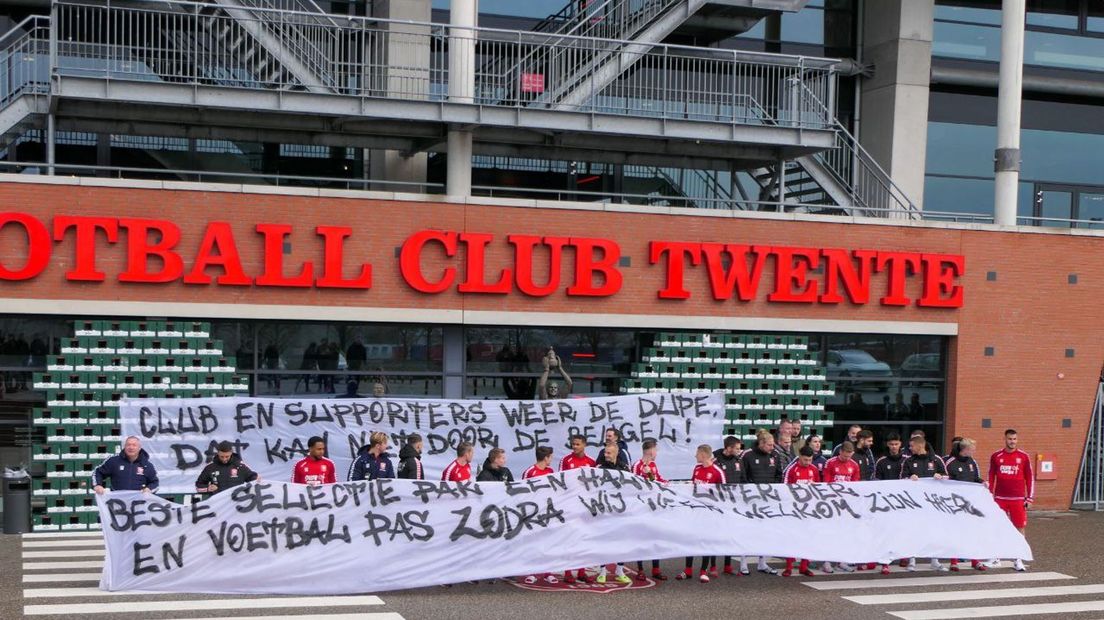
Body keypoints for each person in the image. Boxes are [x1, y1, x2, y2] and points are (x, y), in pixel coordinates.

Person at [901, 434, 948, 572]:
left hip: (933, 503)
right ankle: (912, 560)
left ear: (920, 445)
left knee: (934, 531)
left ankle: (935, 560)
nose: (910, 448)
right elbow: (901, 478)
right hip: (914, 503)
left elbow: (947, 477)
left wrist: (940, 477)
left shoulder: (936, 459)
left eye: (911, 446)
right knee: (914, 531)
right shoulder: (909, 461)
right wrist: (909, 478)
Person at [679, 445, 725, 583]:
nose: (695, 456)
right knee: (691, 539)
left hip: (709, 512)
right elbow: (693, 486)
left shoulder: (717, 472)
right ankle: (688, 570)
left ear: (704, 455)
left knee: (705, 541)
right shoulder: (697, 468)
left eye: (697, 453)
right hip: (695, 511)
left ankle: (703, 571)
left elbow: (724, 493)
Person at [989, 428, 1033, 572]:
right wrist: (990, 495)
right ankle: (995, 557)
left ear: (1017, 440)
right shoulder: (996, 456)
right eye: (1009, 439)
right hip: (1000, 498)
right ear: (1005, 439)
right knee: (997, 526)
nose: (1012, 442)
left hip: (1018, 498)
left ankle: (1017, 558)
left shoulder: (1024, 456)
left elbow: (1029, 477)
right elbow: (991, 476)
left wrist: (1030, 497)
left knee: (1019, 527)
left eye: (1014, 439)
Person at [740, 431, 783, 575]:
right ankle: (743, 562)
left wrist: (771, 490)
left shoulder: (775, 455)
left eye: (773, 444)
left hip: (768, 499)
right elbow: (743, 476)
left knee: (766, 532)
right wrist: (753, 490)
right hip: (751, 500)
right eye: (770, 445)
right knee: (748, 531)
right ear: (762, 443)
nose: (772, 447)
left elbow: (779, 474)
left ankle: (762, 562)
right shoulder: (747, 455)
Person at [944, 438, 988, 573]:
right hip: (955, 504)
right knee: (956, 532)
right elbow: (945, 480)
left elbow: (975, 478)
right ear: (965, 449)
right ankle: (954, 561)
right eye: (972, 449)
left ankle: (975, 560)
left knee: (973, 532)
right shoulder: (950, 462)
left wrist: (982, 482)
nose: (974, 451)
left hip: (970, 504)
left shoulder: (972, 462)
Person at [558, 435, 596, 585]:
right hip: (570, 504)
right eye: (573, 444)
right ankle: (568, 572)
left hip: (585, 506)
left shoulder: (591, 461)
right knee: (570, 538)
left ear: (584, 445)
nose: (574, 447)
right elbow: (560, 480)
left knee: (583, 538)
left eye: (577, 444)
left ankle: (582, 572)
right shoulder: (566, 460)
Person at [594, 443, 632, 585]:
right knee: (603, 541)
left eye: (609, 453)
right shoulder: (599, 469)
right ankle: (602, 571)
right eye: (605, 453)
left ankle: (619, 570)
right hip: (605, 510)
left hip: (621, 511)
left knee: (622, 541)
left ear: (616, 453)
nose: (606, 455)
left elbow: (631, 486)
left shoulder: (624, 468)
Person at [821, 441, 862, 573]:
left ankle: (842, 561)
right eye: (845, 456)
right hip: (832, 504)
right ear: (840, 452)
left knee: (845, 533)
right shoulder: (830, 463)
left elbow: (856, 486)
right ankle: (826, 561)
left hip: (846, 505)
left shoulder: (854, 465)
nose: (847, 459)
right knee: (830, 533)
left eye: (849, 456)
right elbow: (826, 483)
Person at [632, 439, 669, 582]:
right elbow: (633, 484)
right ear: (651, 450)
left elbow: (657, 479)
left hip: (654, 507)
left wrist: (667, 484)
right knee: (641, 538)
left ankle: (656, 569)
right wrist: (645, 476)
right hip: (641, 507)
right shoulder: (637, 465)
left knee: (655, 537)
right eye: (656, 450)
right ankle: (640, 569)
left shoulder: (653, 465)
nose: (657, 453)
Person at [782, 446, 821, 577]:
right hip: (794, 510)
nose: (808, 462)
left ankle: (804, 566)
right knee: (791, 538)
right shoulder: (791, 469)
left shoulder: (814, 470)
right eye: (805, 460)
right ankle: (788, 566)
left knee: (808, 538)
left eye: (810, 460)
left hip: (809, 510)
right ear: (799, 456)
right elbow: (784, 488)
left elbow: (819, 488)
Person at [875, 432, 908, 573]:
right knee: (887, 532)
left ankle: (903, 556)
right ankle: (885, 562)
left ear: (900, 444)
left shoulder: (907, 459)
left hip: (904, 502)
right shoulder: (881, 461)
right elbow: (876, 482)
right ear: (888, 445)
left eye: (896, 444)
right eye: (891, 444)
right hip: (887, 503)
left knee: (902, 530)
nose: (894, 447)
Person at [711, 435, 744, 576]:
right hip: (717, 503)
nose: (739, 450)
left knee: (730, 535)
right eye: (736, 448)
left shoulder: (738, 460)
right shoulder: (715, 459)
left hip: (733, 503)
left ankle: (727, 565)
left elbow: (743, 479)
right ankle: (712, 566)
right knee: (714, 536)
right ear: (728, 448)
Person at [92, 436, 158, 494]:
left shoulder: (147, 465)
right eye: (128, 445)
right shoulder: (114, 460)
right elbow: (98, 472)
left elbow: (155, 483)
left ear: (139, 448)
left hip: (138, 504)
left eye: (134, 445)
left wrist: (149, 489)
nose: (131, 447)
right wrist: (97, 485)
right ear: (124, 446)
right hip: (117, 502)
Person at [194, 440, 258, 494]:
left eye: (227, 456)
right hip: (218, 503)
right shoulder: (210, 467)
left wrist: (256, 478)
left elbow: (253, 478)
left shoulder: (241, 465)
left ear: (231, 453)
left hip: (237, 503)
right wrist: (208, 488)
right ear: (218, 453)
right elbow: (198, 486)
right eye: (221, 456)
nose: (224, 459)